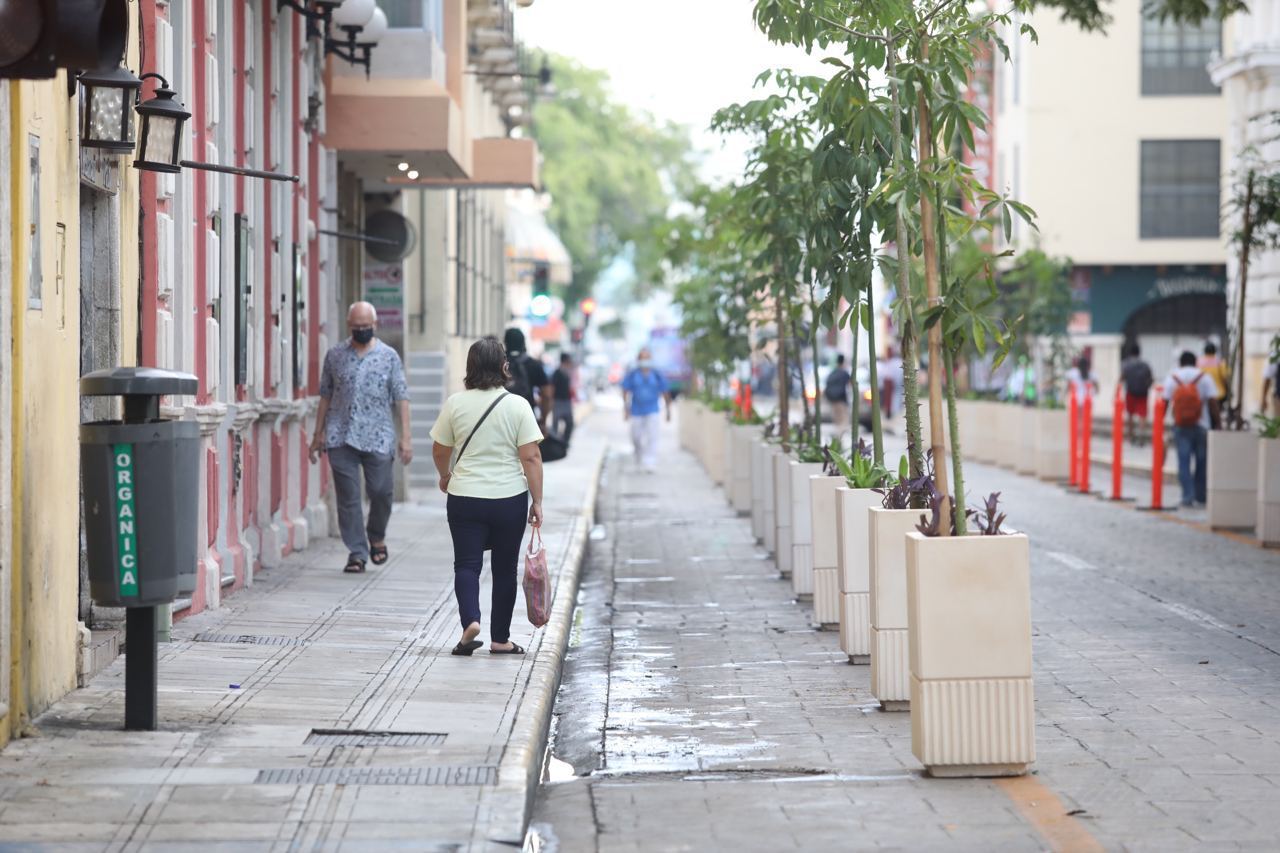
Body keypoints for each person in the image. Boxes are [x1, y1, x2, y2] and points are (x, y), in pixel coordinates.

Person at [430, 337, 544, 656]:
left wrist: (445, 476)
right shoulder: (518, 405)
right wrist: (537, 501)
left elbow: (440, 449)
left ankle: (470, 621)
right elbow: (531, 457)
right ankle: (500, 639)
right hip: (509, 498)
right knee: (504, 569)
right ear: (504, 366)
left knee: (467, 564)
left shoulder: (455, 404)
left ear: (470, 368)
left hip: (465, 496)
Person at [309, 302, 412, 574]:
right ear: (349, 325)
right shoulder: (335, 355)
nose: (362, 331)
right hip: (340, 434)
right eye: (357, 327)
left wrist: (406, 438)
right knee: (349, 497)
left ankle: (376, 535)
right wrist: (318, 433)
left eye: (366, 327)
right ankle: (357, 552)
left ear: (375, 325)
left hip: (379, 434)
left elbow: (401, 396)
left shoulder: (389, 356)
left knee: (381, 491)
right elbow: (325, 395)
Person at [1163, 351, 1220, 508]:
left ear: (1180, 363)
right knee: (1202, 462)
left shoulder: (1173, 377)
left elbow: (1165, 401)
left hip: (1181, 425)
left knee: (1183, 461)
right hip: (1202, 425)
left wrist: (1160, 422)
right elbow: (1213, 402)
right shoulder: (1204, 377)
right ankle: (1201, 497)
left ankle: (1187, 496)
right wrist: (1218, 423)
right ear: (1196, 362)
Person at [621, 348, 672, 472]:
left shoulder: (656, 374)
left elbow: (665, 391)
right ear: (638, 360)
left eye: (647, 358)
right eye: (642, 358)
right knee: (636, 436)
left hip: (652, 409)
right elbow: (625, 391)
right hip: (636, 410)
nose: (645, 361)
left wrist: (668, 410)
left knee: (652, 436)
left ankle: (650, 461)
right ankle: (639, 456)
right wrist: (626, 409)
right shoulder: (633, 374)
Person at [504, 328, 553, 432]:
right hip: (527, 420)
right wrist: (543, 421)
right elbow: (547, 395)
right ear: (523, 343)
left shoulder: (498, 364)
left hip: (502, 419)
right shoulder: (533, 364)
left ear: (505, 342)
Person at [1121, 342, 1154, 445]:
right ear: (1139, 353)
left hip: (1130, 392)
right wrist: (1147, 387)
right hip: (1143, 393)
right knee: (1142, 415)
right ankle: (1141, 435)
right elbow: (1151, 379)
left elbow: (1122, 378)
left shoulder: (1126, 363)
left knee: (1130, 414)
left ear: (1130, 352)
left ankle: (1131, 436)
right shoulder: (1145, 364)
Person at [1198, 341, 1228, 429]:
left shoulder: (1199, 362)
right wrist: (1227, 390)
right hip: (1218, 394)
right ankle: (1215, 425)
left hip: (1203, 394)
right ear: (1215, 351)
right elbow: (1224, 378)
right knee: (1216, 411)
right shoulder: (1220, 363)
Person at [551, 352, 576, 442]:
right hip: (558, 401)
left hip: (566, 401)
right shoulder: (557, 373)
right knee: (555, 424)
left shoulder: (568, 372)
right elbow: (552, 388)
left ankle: (564, 442)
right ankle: (555, 442)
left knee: (570, 423)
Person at [823, 354, 851, 433]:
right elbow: (850, 384)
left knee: (837, 419)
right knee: (844, 420)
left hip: (832, 400)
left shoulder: (832, 373)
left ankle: (838, 437)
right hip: (841, 400)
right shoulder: (844, 373)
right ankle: (840, 436)